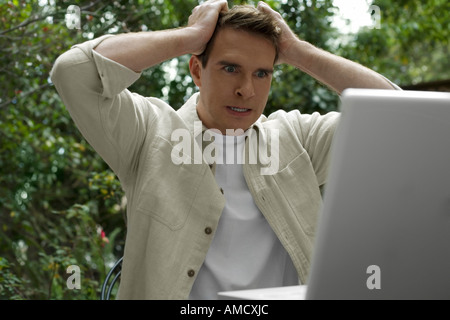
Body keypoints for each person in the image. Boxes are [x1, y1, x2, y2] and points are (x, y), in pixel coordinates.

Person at [51, 0, 399, 299]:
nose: (247, 90)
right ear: (197, 70)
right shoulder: (148, 133)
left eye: (262, 73)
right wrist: (190, 37)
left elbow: (398, 118)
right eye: (231, 68)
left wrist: (296, 51)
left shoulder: (297, 138)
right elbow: (73, 71)